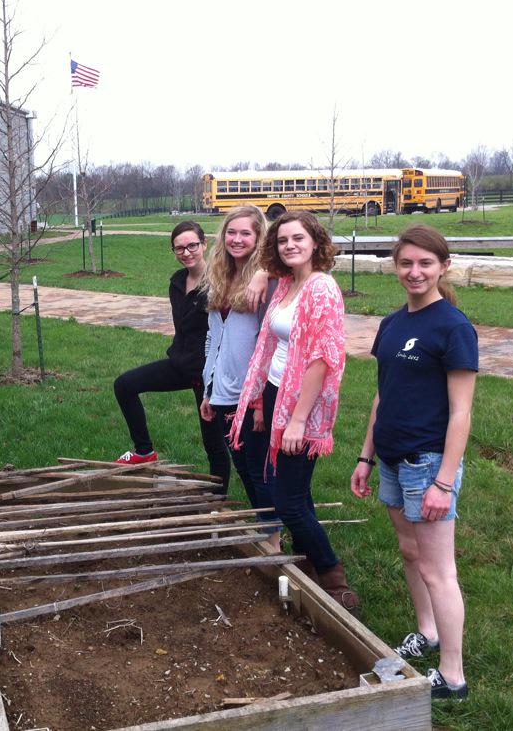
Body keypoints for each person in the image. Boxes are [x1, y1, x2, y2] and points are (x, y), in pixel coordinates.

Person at [350, 224, 477, 701]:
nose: (415, 271)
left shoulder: (453, 327)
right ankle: (428, 632)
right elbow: (384, 395)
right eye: (406, 263)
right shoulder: (392, 324)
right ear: (395, 267)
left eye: (426, 263)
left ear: (443, 267)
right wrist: (366, 455)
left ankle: (453, 675)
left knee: (438, 569)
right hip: (391, 458)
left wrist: (443, 483)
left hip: (427, 463)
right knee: (410, 553)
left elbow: (462, 411)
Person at [230, 210, 359, 615]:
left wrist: (298, 420)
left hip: (302, 403)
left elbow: (324, 358)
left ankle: (334, 580)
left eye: (298, 238)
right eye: (283, 240)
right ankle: (309, 567)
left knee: (288, 500)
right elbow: (271, 344)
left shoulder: (321, 289)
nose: (290, 245)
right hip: (273, 392)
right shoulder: (286, 283)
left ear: (316, 243)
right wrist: (259, 404)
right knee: (294, 493)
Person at [112, 221, 230, 482]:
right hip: (179, 364)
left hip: (207, 373)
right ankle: (144, 452)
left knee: (213, 443)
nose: (186, 253)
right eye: (179, 248)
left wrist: (212, 381)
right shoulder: (177, 282)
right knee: (124, 385)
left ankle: (217, 499)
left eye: (192, 246)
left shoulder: (219, 282)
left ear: (204, 244)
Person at [197, 206, 281, 548]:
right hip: (223, 389)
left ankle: (273, 538)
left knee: (259, 469)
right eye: (231, 232)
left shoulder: (268, 280)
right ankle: (267, 527)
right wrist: (208, 388)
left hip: (252, 391)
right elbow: (213, 338)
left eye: (246, 233)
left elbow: (271, 339)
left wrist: (260, 398)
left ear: (259, 237)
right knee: (243, 465)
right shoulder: (220, 274)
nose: (236, 239)